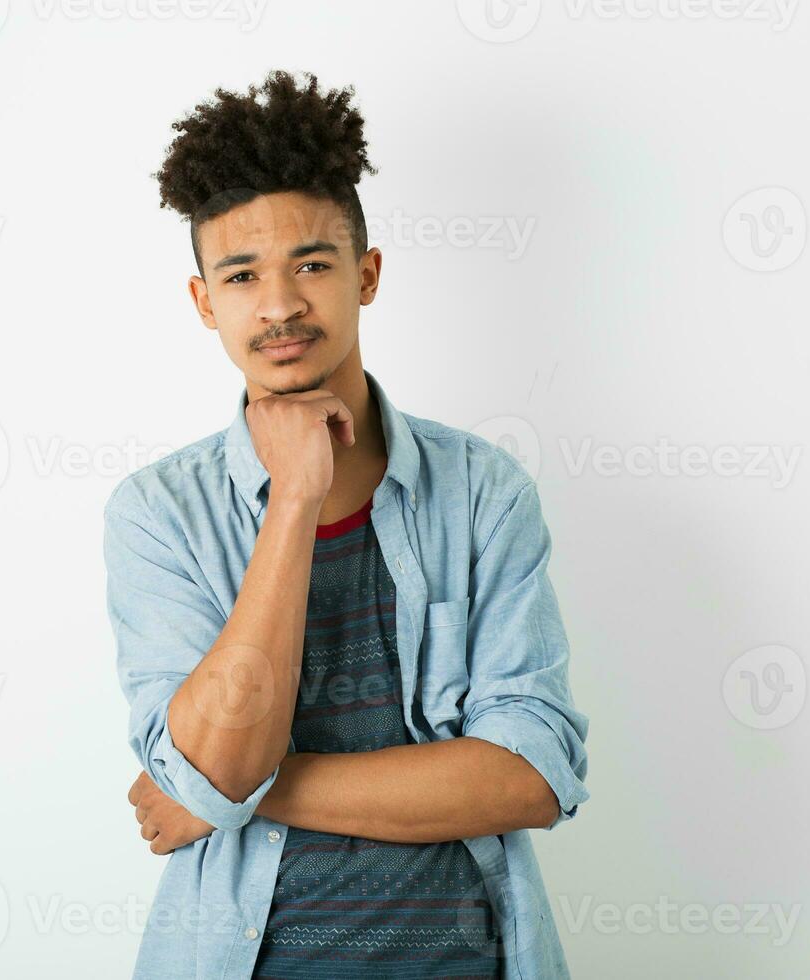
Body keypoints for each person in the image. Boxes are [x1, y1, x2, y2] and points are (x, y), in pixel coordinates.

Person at [104, 68, 589, 980]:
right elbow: (209, 758)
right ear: (206, 302)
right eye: (242, 275)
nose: (280, 304)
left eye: (312, 265)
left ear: (365, 275)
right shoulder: (157, 515)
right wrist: (292, 498)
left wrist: (231, 792)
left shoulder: (483, 493)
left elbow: (532, 775)